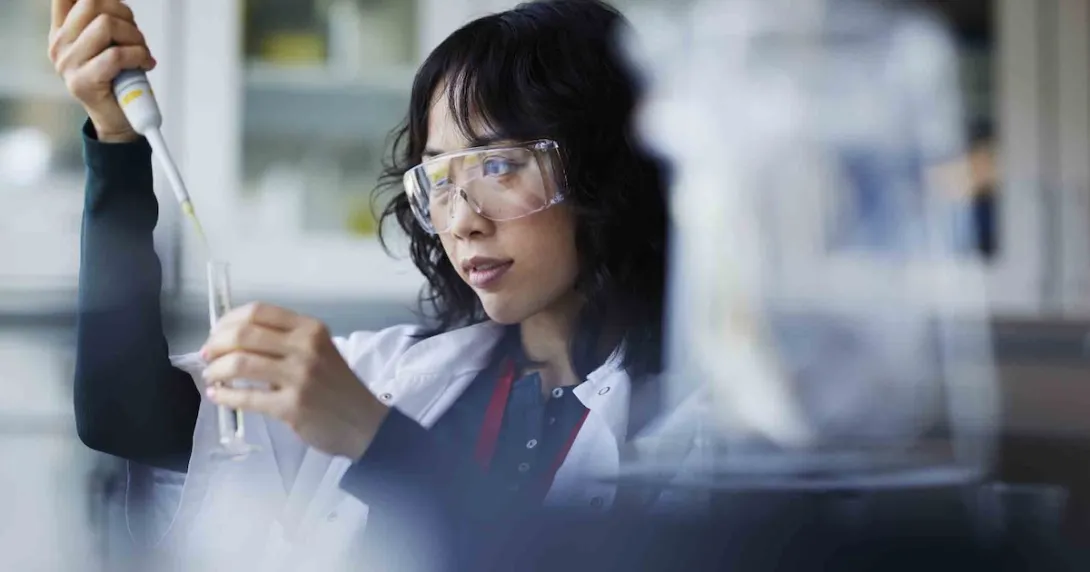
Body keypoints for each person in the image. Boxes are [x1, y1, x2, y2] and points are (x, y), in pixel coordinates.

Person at [51, 0, 686, 569]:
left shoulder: (697, 428)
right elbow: (122, 413)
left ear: (607, 168)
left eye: (499, 164)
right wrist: (117, 140)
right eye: (440, 176)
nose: (463, 220)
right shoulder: (388, 375)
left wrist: (377, 440)